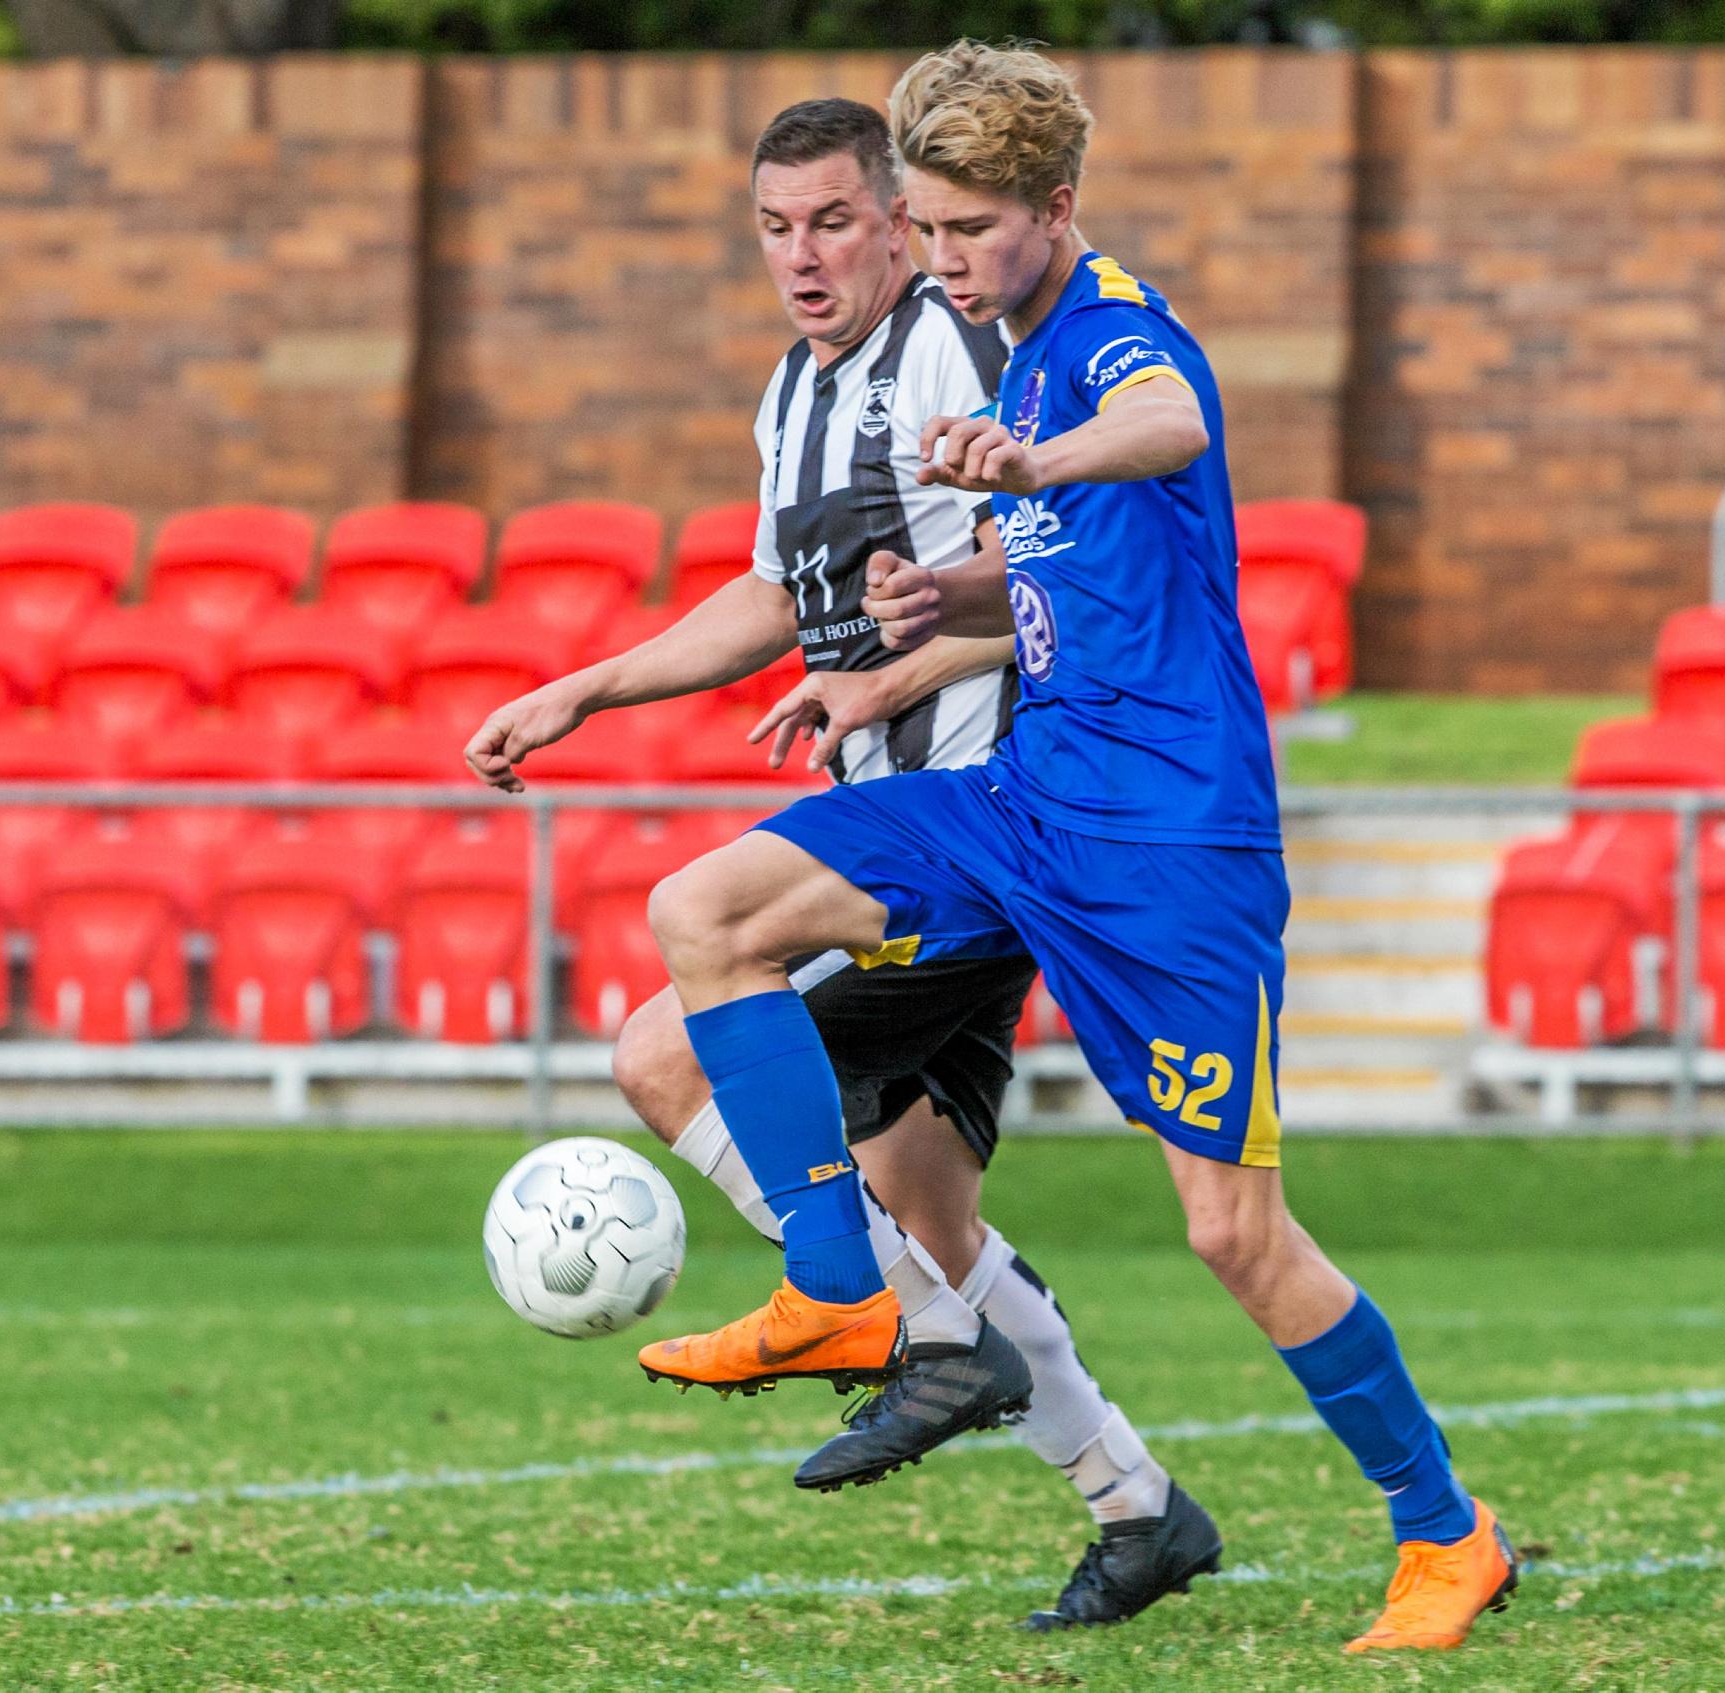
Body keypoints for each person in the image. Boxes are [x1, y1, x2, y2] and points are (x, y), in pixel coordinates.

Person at [636, 43, 1519, 1655]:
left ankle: (1444, 1531)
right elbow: (1055, 569)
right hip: (1025, 799)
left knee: (1230, 1234)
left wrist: (1035, 460)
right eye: (929, 227)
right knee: (703, 910)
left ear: (1055, 205)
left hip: (1169, 844)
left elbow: (1168, 427)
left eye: (971, 229)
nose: (944, 260)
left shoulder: (1108, 335)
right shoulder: (1011, 342)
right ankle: (841, 1291)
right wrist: (931, 615)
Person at [463, 95, 1216, 1631]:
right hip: (912, 838)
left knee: (667, 1044)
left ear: (897, 222)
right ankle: (1136, 1509)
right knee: (921, 1202)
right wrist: (587, 685)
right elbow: (766, 590)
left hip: (975, 827)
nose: (801, 257)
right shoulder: (794, 395)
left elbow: (1059, 547)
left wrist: (900, 660)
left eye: (831, 222)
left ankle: (913, 1334)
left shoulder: (952, 347)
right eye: (772, 227)